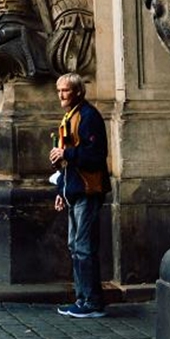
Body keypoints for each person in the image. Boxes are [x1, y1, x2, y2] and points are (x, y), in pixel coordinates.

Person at [49, 73, 110, 318]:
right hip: (75, 189)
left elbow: (96, 156)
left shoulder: (88, 116)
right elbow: (68, 163)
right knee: (76, 246)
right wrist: (61, 190)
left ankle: (92, 302)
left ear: (77, 92)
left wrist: (66, 154)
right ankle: (82, 298)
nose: (61, 95)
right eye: (59, 90)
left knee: (83, 248)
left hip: (88, 190)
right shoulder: (70, 116)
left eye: (65, 90)